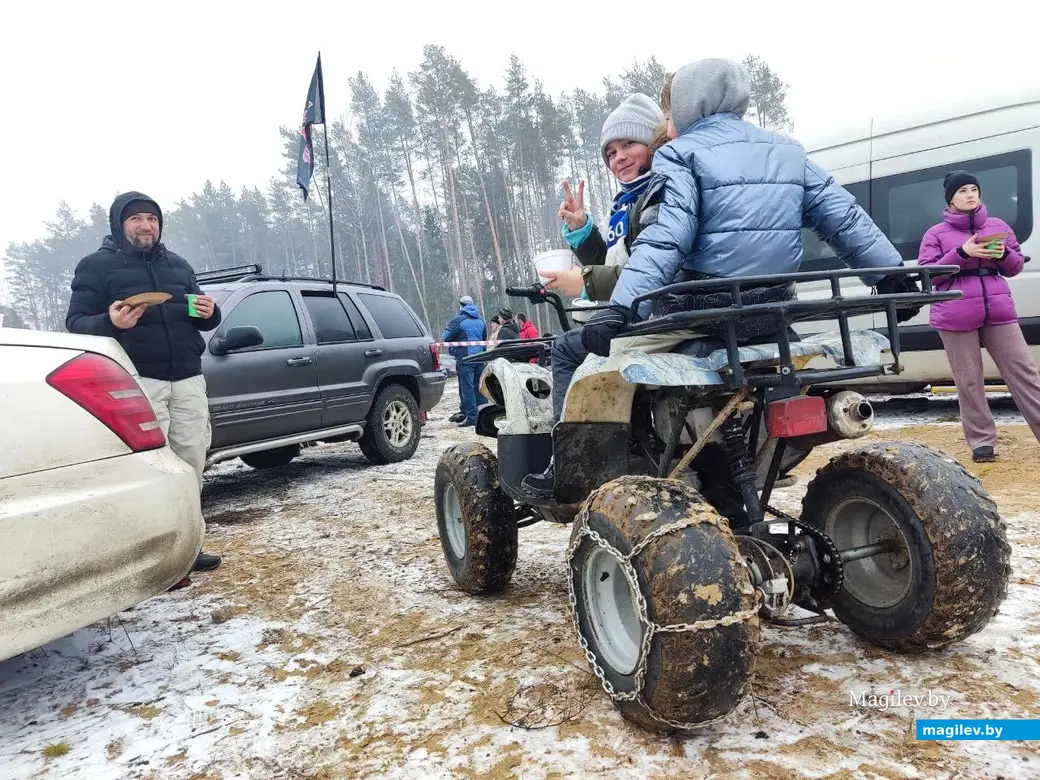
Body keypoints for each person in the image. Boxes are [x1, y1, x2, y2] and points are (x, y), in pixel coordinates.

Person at [522, 59, 914, 497]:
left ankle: (570, 475)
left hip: (698, 310)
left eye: (667, 114)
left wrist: (618, 308)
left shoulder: (680, 154)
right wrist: (892, 276)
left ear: (689, 107)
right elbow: (843, 218)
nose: (664, 126)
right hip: (772, 310)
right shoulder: (787, 150)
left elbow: (667, 240)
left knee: (568, 351)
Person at [65, 191, 224, 579]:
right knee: (152, 467)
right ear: (120, 224)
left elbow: (195, 314)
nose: (145, 225)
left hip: (187, 377)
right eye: (136, 218)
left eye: (152, 219)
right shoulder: (96, 267)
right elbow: (76, 323)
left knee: (191, 462)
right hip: (138, 380)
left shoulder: (178, 265)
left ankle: (188, 546)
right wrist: (110, 322)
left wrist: (210, 313)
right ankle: (156, 555)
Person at [918, 171, 1040, 462]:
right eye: (963, 191)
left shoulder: (997, 226)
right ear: (951, 199)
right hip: (955, 313)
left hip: (998, 309)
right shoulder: (935, 234)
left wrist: (1002, 255)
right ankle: (981, 442)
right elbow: (928, 276)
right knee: (969, 381)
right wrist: (962, 252)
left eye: (974, 189)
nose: (971, 194)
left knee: (1025, 373)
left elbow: (1014, 267)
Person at [541, 93, 667, 308]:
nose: (619, 157)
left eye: (629, 143)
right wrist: (582, 230)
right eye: (611, 153)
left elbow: (656, 271)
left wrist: (587, 282)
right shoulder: (621, 207)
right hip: (636, 315)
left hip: (663, 317)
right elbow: (608, 266)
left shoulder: (664, 193)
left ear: (653, 143)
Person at [441, 296, 487, 427]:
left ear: (461, 306)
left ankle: (471, 417)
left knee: (467, 389)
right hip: (480, 358)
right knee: (479, 388)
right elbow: (484, 339)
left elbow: (445, 337)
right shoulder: (481, 321)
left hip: (465, 359)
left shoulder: (458, 320)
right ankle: (482, 416)